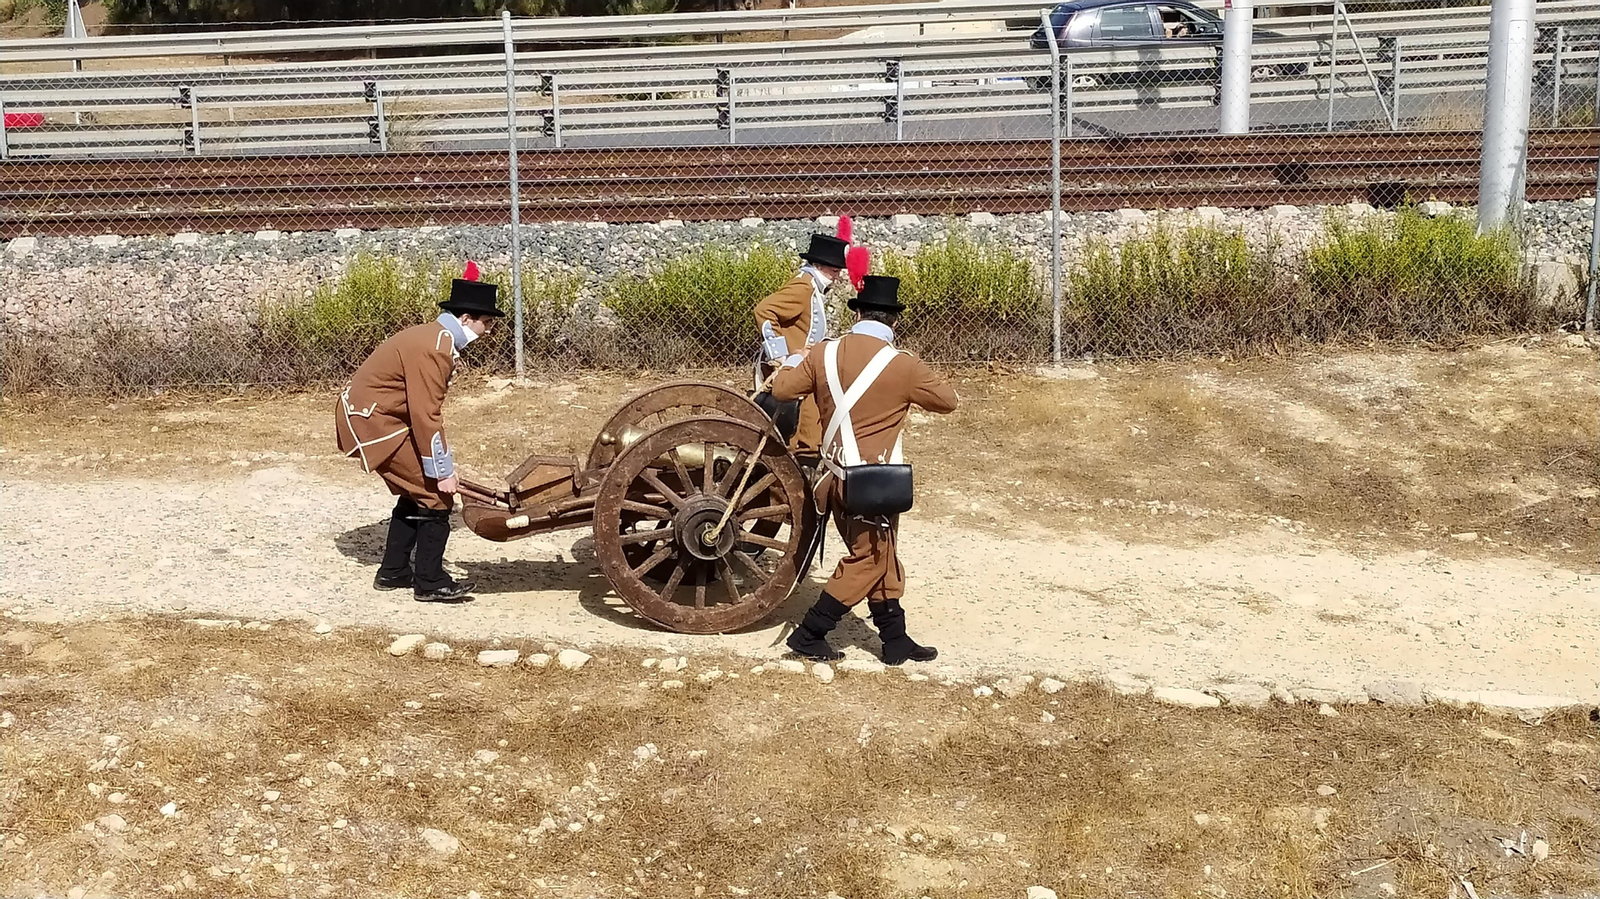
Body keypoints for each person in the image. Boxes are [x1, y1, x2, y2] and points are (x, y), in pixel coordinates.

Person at [770, 275, 958, 664]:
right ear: (894, 322)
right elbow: (948, 401)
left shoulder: (823, 353)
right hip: (872, 485)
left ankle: (895, 640)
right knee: (869, 558)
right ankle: (810, 633)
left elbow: (783, 391)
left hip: (832, 479)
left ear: (856, 313)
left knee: (882, 553)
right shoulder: (904, 365)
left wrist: (793, 358)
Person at [334, 264, 503, 602]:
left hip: (378, 418)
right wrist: (442, 472)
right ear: (467, 318)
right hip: (373, 423)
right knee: (436, 497)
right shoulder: (435, 346)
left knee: (416, 492)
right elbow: (426, 415)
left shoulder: (435, 338)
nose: (487, 332)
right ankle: (431, 582)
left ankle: (394, 572)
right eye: (487, 324)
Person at [753, 233, 850, 458]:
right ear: (819, 266)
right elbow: (764, 311)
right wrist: (781, 356)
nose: (837, 277)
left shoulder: (810, 286)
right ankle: (804, 459)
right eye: (834, 271)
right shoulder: (803, 288)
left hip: (803, 365)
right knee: (807, 424)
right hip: (796, 367)